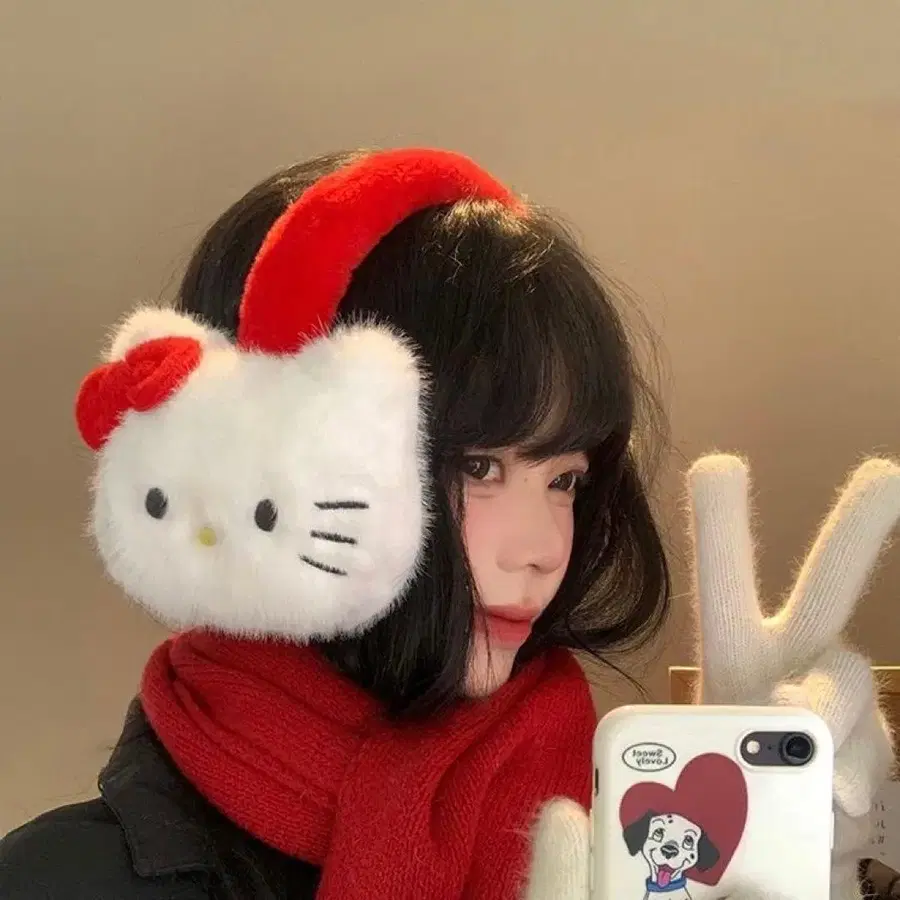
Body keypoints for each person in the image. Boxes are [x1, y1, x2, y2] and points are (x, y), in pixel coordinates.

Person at [0, 147, 895, 900]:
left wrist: (787, 860)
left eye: (565, 479)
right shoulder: (59, 881)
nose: (543, 550)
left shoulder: (627, 843)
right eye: (478, 467)